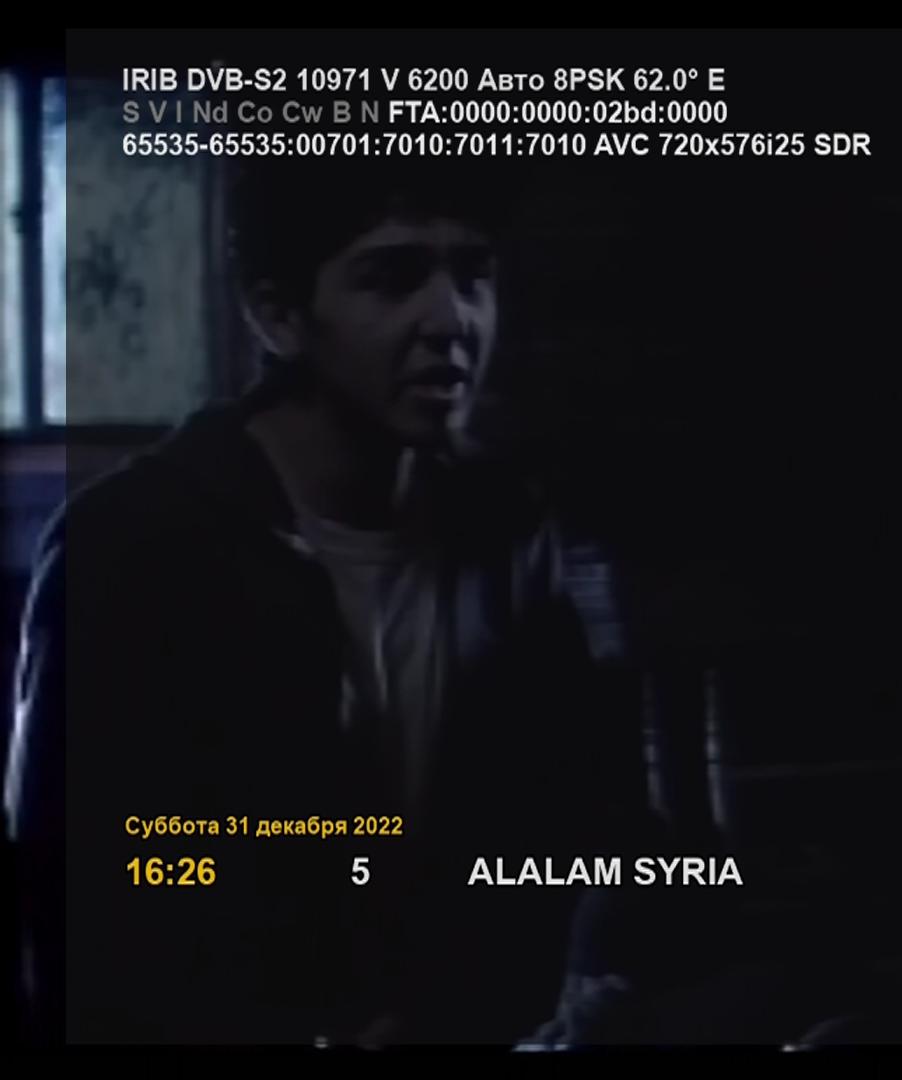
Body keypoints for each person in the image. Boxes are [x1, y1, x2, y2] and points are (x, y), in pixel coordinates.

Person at [3, 158, 667, 1044]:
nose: (452, 320)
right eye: (393, 278)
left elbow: (566, 821)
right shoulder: (134, 545)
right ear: (278, 315)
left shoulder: (507, 533)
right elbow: (86, 892)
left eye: (473, 275)